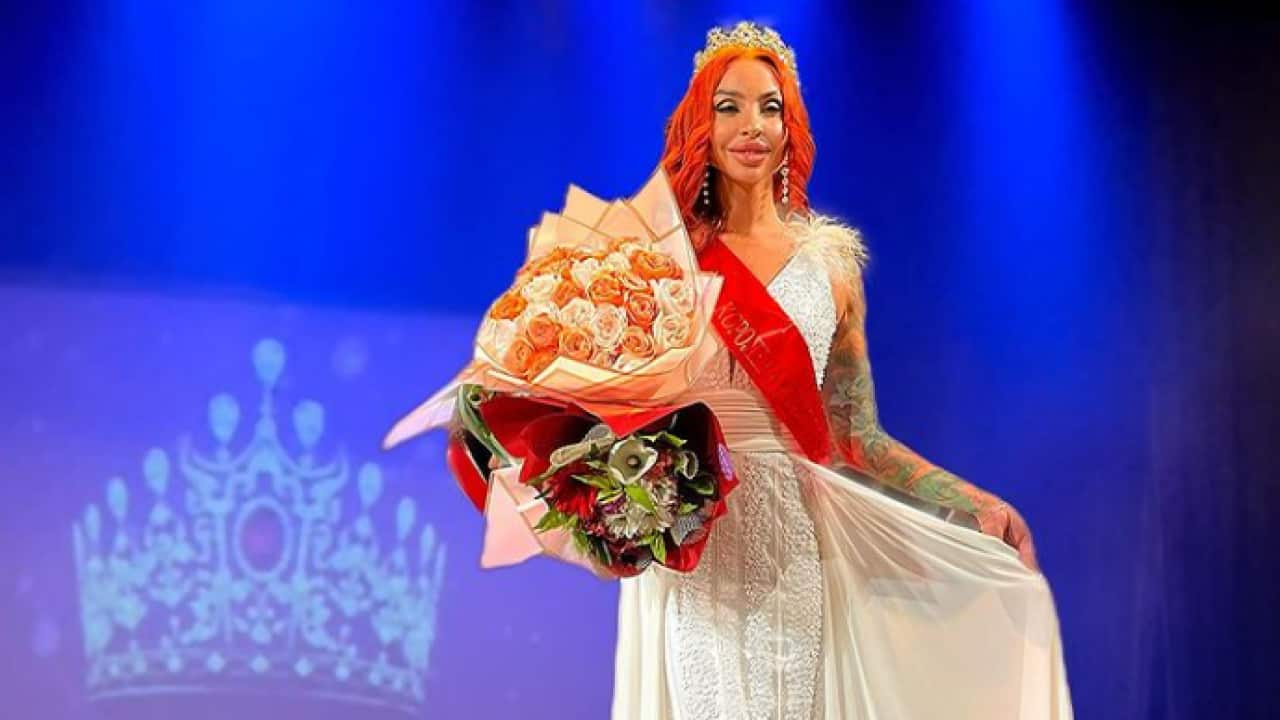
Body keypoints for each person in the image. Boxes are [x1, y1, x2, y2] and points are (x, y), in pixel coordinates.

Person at [610, 22, 1072, 718]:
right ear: (700, 124)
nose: (752, 124)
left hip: (794, 543)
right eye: (729, 106)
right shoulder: (662, 260)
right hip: (696, 541)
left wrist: (974, 503)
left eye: (770, 107)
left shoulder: (830, 269)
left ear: (790, 127)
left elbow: (857, 438)